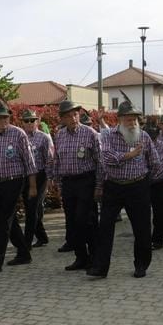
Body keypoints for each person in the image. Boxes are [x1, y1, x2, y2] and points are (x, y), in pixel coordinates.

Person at [87, 99, 162, 279]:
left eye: (135, 119)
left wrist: (144, 180)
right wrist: (130, 155)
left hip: (138, 186)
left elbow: (156, 163)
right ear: (119, 120)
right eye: (128, 119)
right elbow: (107, 158)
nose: (132, 123)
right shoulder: (107, 136)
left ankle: (141, 265)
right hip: (113, 186)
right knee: (105, 227)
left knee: (142, 228)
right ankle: (100, 267)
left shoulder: (143, 137)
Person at [0, 100, 37, 274]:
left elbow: (29, 162)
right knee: (5, 219)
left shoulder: (18, 134)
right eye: (0, 118)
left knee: (3, 221)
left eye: (6, 118)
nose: (4, 121)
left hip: (14, 181)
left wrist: (32, 186)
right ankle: (24, 253)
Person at [51, 99, 100, 271]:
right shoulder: (59, 135)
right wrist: (57, 183)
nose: (73, 118)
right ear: (62, 119)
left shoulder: (91, 133)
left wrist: (99, 186)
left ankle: (95, 257)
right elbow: (57, 161)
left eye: (75, 114)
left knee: (86, 220)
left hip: (86, 181)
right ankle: (81, 258)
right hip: (68, 183)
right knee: (72, 222)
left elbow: (100, 162)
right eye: (69, 116)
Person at [21, 109, 53, 248]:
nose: (29, 123)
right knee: (31, 208)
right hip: (24, 177)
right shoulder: (19, 137)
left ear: (37, 121)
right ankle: (42, 236)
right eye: (26, 121)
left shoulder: (44, 138)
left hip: (40, 176)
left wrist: (50, 179)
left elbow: (49, 160)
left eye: (32, 120)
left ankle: (26, 242)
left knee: (32, 209)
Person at [148, 116, 163, 250]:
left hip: (158, 183)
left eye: (153, 136)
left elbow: (161, 167)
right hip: (144, 183)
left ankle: (158, 239)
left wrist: (147, 173)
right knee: (143, 213)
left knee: (159, 214)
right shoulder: (139, 145)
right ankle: (145, 238)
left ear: (157, 135)